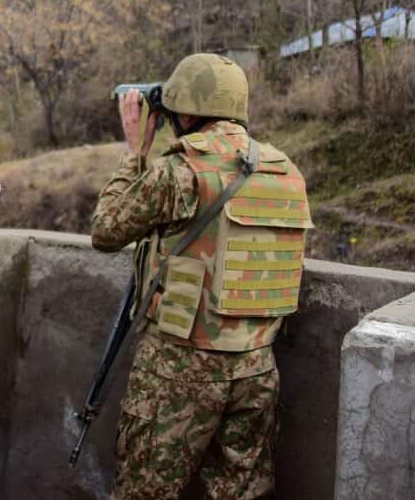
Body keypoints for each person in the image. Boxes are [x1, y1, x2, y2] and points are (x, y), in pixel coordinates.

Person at [91, 54, 312, 500]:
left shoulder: (181, 170)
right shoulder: (284, 171)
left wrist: (134, 149)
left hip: (179, 369)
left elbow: (106, 230)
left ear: (186, 111)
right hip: (256, 367)